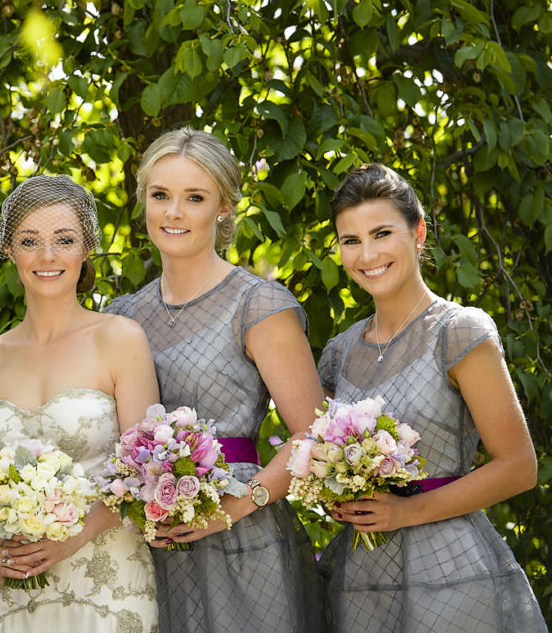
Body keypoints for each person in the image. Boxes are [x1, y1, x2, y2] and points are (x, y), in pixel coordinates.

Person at [106, 127, 325, 632]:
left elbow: (312, 437)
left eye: (195, 197)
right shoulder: (122, 316)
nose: (173, 213)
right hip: (149, 545)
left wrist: (228, 509)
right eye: (160, 195)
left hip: (244, 540)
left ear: (224, 207)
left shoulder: (259, 305)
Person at [317, 163, 546, 632]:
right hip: (360, 578)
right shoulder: (339, 351)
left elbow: (519, 467)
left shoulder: (459, 332)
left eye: (382, 233)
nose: (367, 254)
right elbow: (320, 460)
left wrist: (404, 511)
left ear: (419, 232)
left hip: (450, 573)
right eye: (350, 240)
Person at [0, 175, 160, 632]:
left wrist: (70, 539)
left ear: (86, 247)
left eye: (64, 240)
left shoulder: (119, 340)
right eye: (30, 241)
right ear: (9, 249)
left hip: (107, 583)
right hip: (14, 588)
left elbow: (143, 472)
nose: (47, 256)